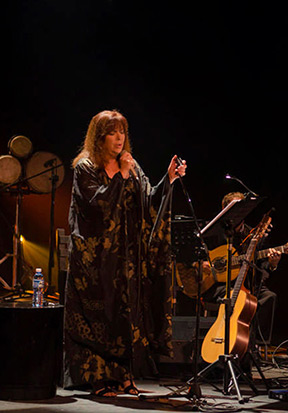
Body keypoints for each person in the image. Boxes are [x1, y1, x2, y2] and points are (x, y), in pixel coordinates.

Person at [63, 109, 187, 397]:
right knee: (99, 318)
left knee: (124, 316)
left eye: (122, 132)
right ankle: (99, 378)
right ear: (99, 136)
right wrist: (120, 175)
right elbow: (97, 207)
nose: (119, 138)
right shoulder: (85, 167)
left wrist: (168, 180)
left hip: (125, 259)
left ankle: (124, 376)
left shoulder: (131, 164)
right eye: (112, 132)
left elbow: (147, 203)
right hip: (94, 260)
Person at [200, 192, 280, 345]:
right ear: (224, 209)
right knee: (238, 298)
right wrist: (202, 263)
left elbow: (262, 266)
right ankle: (227, 340)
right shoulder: (211, 231)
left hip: (248, 284)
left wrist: (272, 264)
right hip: (218, 285)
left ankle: (252, 344)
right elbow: (194, 253)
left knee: (269, 297)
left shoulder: (253, 235)